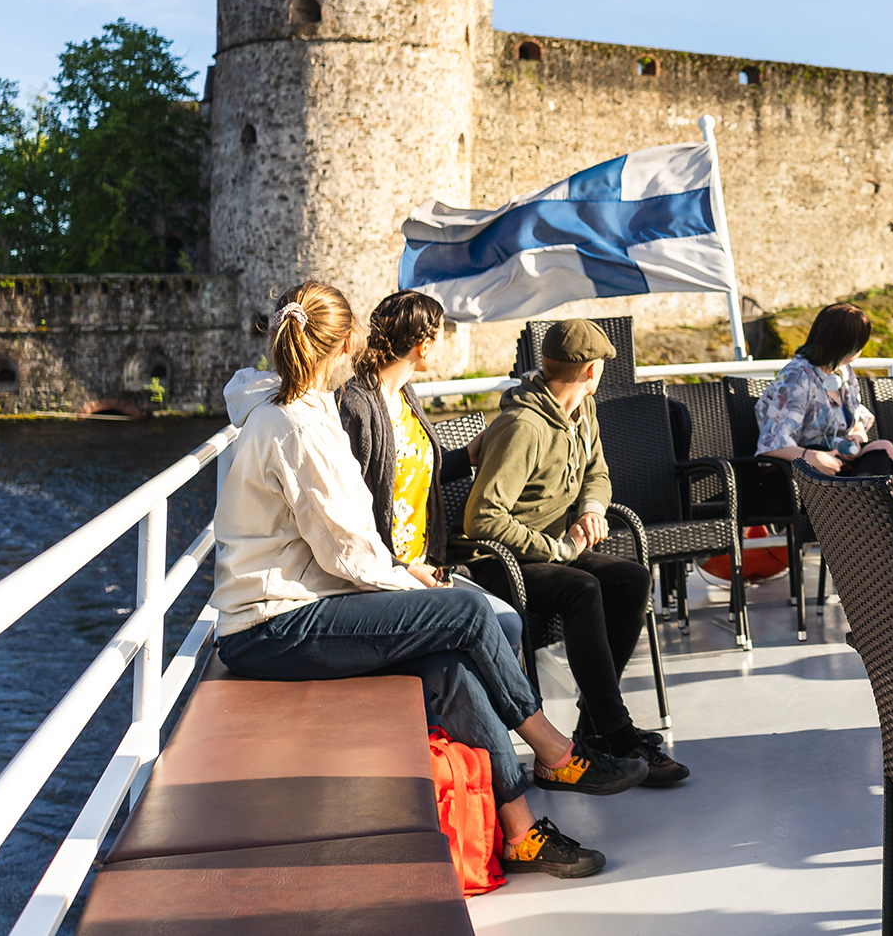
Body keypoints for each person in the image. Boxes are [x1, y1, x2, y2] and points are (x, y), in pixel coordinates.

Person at [212, 281, 628, 879]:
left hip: (297, 606)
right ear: (344, 344)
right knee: (465, 612)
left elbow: (343, 550)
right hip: (273, 625)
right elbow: (348, 555)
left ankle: (522, 833)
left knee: (452, 671)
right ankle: (555, 751)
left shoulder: (304, 411)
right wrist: (418, 591)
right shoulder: (297, 429)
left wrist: (412, 587)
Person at [459, 318, 690, 786]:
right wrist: (556, 547)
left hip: (549, 552)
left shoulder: (583, 413)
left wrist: (590, 509)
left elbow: (598, 474)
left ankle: (595, 729)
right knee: (582, 587)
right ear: (590, 371)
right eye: (601, 365)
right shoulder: (521, 425)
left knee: (631, 579)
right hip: (498, 562)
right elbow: (481, 518)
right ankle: (616, 731)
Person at [336, 288, 522, 649]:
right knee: (503, 628)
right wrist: (403, 570)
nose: (442, 346)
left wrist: (466, 456)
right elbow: (346, 510)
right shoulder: (355, 406)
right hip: (386, 575)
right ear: (423, 344)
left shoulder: (405, 395)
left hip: (427, 565)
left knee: (508, 623)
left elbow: (412, 468)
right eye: (440, 336)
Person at [755, 302, 893, 485]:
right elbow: (770, 447)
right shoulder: (797, 377)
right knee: (821, 452)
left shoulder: (843, 371)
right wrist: (813, 457)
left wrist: (855, 437)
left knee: (883, 447)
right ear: (849, 346)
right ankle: (860, 504)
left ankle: (859, 502)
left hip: (838, 464)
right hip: (797, 474)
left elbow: (857, 421)